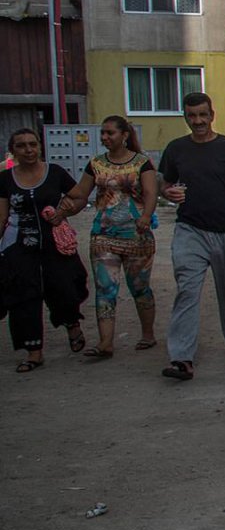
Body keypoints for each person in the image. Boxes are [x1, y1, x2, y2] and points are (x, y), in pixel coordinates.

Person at [158, 92, 225, 381]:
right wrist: (167, 192)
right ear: (185, 117)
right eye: (192, 116)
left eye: (203, 115)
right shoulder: (176, 149)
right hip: (190, 229)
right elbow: (163, 183)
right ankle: (181, 358)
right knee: (187, 290)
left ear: (212, 115)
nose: (198, 121)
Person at [54, 116, 160, 358]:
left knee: (140, 288)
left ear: (124, 135)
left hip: (137, 237)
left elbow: (151, 193)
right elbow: (80, 194)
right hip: (103, 236)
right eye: (103, 133)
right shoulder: (96, 164)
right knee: (105, 289)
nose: (105, 137)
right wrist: (62, 209)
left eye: (110, 133)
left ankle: (148, 335)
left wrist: (146, 216)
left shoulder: (143, 163)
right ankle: (105, 343)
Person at [0, 128, 89, 372]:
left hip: (55, 243)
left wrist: (64, 212)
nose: (28, 150)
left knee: (64, 287)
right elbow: (2, 216)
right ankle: (34, 351)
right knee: (23, 295)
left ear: (39, 146)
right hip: (19, 244)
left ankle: (72, 324)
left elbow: (80, 196)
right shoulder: (5, 179)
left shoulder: (55, 173)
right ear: (13, 150)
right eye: (21, 146)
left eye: (32, 144)